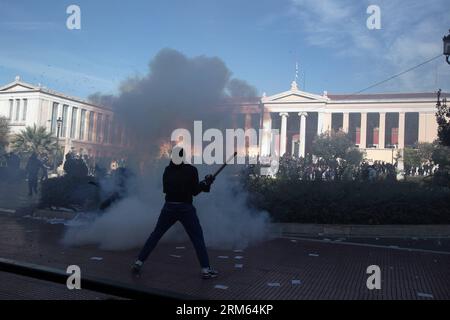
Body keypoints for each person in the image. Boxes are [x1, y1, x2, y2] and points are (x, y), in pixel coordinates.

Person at [132, 147, 218, 279]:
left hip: (169, 207)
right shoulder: (191, 170)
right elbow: (195, 191)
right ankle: (205, 269)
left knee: (155, 235)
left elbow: (166, 189)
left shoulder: (167, 170)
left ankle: (138, 262)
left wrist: (204, 183)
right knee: (197, 238)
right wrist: (206, 183)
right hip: (185, 208)